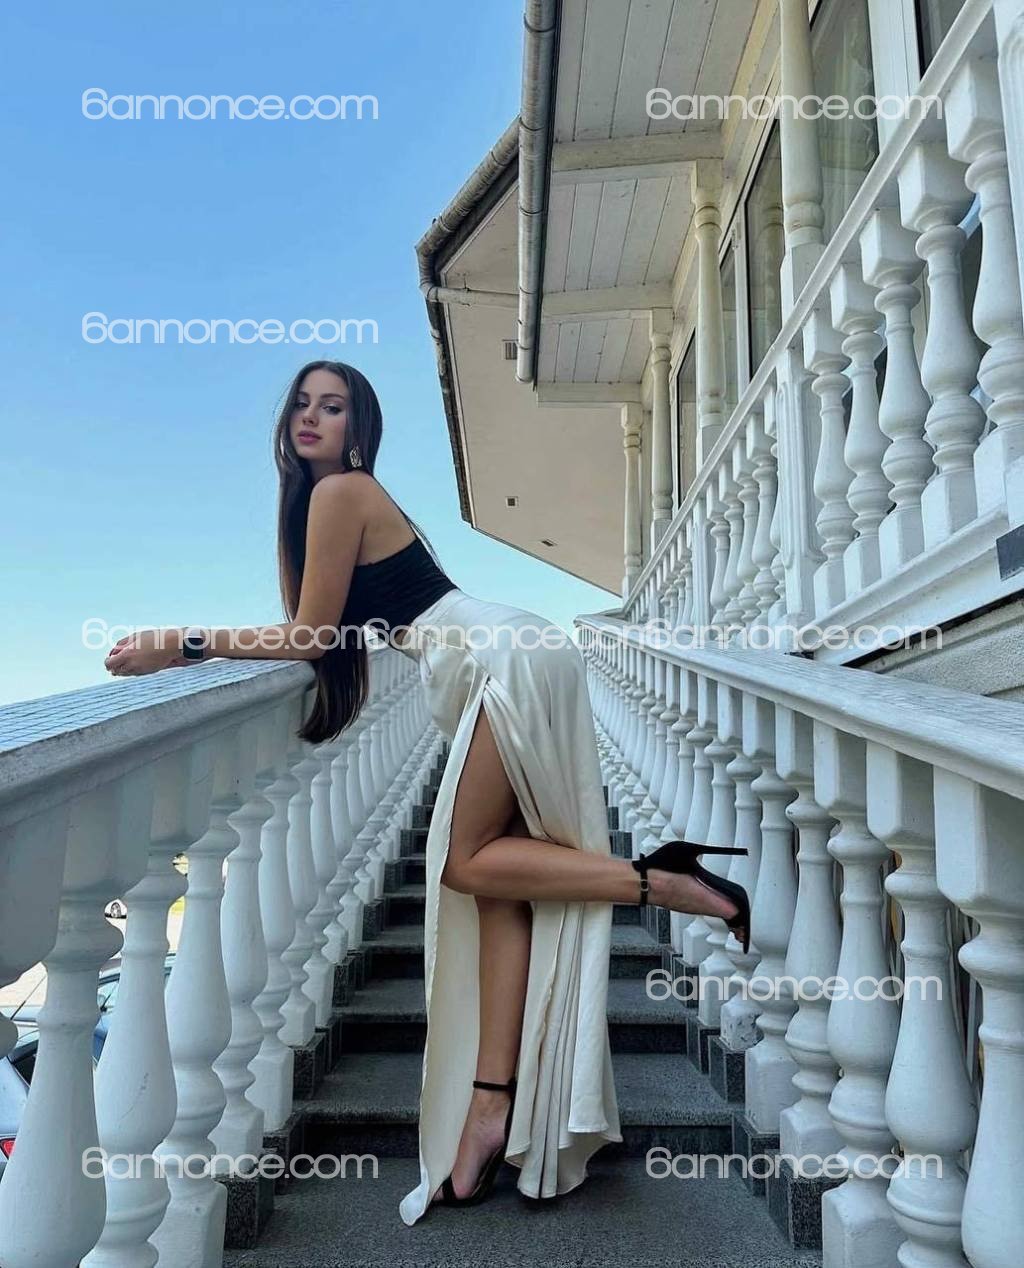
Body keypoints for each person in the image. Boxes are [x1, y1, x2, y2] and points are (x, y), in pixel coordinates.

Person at [104, 359, 749, 1224]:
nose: (311, 417)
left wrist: (178, 642)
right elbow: (324, 635)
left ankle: (662, 881)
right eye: (301, 404)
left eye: (333, 407)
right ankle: (490, 1113)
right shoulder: (320, 509)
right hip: (498, 660)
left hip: (498, 660)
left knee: (465, 863)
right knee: (501, 891)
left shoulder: (343, 493)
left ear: (358, 429)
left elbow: (309, 636)